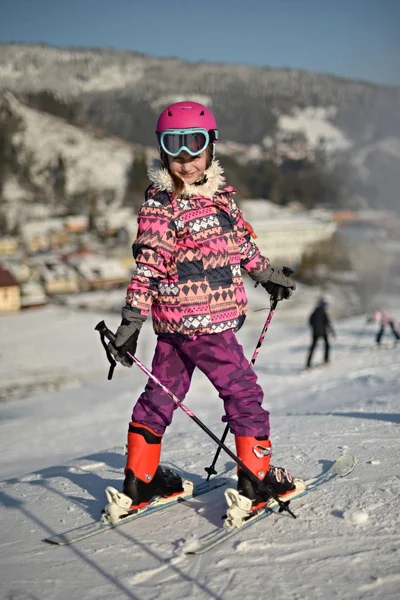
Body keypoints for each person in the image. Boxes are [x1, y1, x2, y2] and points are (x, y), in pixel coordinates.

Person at [108, 101, 297, 515]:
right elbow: (147, 268)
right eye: (173, 147)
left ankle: (140, 479)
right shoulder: (160, 206)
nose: (185, 159)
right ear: (162, 151)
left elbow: (240, 247)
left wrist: (266, 274)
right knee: (243, 393)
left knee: (162, 394)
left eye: (194, 144)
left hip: (177, 330)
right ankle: (256, 480)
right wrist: (131, 321)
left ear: (211, 146)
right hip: (206, 326)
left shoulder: (220, 200)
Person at [306, 298, 336, 370]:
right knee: (327, 345)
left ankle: (308, 364)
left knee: (313, 348)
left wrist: (314, 328)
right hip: (322, 332)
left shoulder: (314, 311)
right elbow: (328, 323)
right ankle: (326, 360)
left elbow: (310, 321)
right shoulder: (323, 313)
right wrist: (332, 332)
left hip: (315, 333)